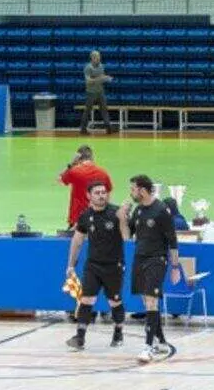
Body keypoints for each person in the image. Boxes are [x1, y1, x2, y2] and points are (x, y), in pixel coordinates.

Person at [121, 175, 181, 364]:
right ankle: (161, 341)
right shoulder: (138, 210)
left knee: (151, 301)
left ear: (142, 190)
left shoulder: (161, 210)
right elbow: (126, 236)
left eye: (133, 189)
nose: (131, 193)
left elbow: (173, 241)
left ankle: (148, 347)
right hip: (139, 259)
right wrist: (122, 218)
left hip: (157, 259)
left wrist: (175, 267)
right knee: (147, 302)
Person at [66, 180, 126, 350]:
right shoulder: (85, 216)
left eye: (103, 192)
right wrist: (71, 265)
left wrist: (123, 219)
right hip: (93, 265)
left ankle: (118, 332)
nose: (101, 196)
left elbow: (127, 236)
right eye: (97, 193)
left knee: (114, 301)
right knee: (86, 300)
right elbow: (77, 241)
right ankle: (80, 337)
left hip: (114, 266)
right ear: (89, 196)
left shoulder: (116, 213)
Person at [59, 145, 113, 230]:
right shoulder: (103, 173)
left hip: (77, 219)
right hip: (98, 219)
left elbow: (60, 179)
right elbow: (107, 196)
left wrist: (71, 164)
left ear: (78, 158)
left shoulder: (74, 171)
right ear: (92, 157)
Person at [82, 50, 115, 135]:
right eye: (97, 57)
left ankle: (108, 128)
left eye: (99, 56)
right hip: (91, 92)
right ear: (92, 58)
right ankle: (83, 129)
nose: (99, 58)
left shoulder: (101, 66)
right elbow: (88, 81)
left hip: (100, 91)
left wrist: (107, 78)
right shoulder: (88, 68)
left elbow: (101, 76)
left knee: (104, 110)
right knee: (87, 111)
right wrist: (99, 79)